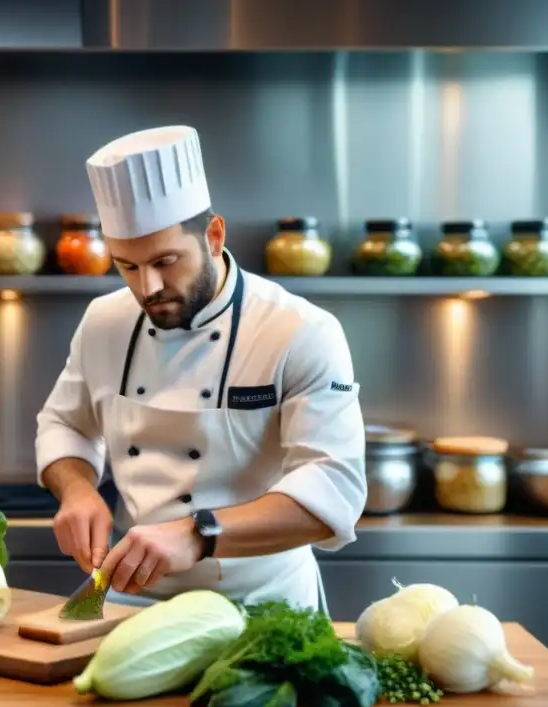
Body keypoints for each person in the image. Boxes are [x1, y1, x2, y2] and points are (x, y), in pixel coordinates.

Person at [35, 125, 366, 611]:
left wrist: (199, 533)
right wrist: (78, 489)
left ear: (213, 236)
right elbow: (65, 423)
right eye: (126, 266)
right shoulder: (103, 322)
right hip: (131, 599)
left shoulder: (301, 331)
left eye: (166, 261)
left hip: (264, 608)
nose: (147, 287)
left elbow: (333, 490)